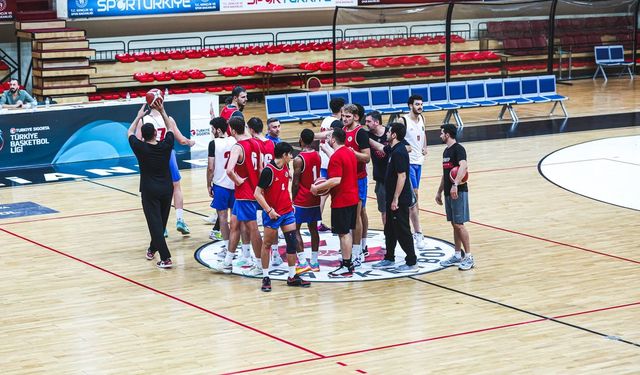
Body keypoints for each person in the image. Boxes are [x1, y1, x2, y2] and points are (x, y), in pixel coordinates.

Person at [255, 142, 311, 292]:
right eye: (290, 154)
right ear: (284, 155)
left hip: (287, 212)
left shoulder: (286, 167)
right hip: (273, 214)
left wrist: (290, 202)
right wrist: (269, 210)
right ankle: (266, 277)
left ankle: (292, 276)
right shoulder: (268, 171)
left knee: (291, 242)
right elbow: (257, 194)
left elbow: (284, 187)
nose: (292, 157)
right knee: (267, 245)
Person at [211, 117, 264, 275]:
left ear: (232, 130)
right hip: (252, 191)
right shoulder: (256, 143)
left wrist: (238, 180)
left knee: (253, 229)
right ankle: (227, 263)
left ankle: (260, 265)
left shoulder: (237, 147)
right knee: (234, 225)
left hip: (244, 193)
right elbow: (260, 168)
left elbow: (229, 170)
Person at [138, 96, 195, 236]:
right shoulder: (169, 119)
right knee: (176, 187)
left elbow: (138, 141)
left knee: (156, 190)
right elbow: (181, 140)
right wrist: (190, 142)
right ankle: (180, 219)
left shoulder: (143, 120)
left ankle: (162, 226)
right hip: (168, 154)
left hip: (151, 156)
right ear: (161, 101)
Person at [127, 103, 175, 268]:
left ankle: (166, 258)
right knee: (160, 224)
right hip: (167, 189)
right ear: (156, 133)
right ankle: (152, 248)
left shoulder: (140, 147)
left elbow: (129, 132)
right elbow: (170, 129)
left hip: (149, 190)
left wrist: (139, 116)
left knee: (155, 225)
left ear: (143, 136)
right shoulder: (166, 145)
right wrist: (162, 111)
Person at [311, 128, 358, 278]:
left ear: (333, 140)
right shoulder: (350, 152)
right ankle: (348, 262)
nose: (327, 138)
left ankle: (346, 265)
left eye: (329, 137)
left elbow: (336, 180)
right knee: (347, 232)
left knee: (343, 233)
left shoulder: (337, 156)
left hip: (342, 200)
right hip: (353, 198)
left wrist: (317, 187)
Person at [372, 122, 418, 272]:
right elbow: (379, 147)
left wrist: (395, 199)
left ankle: (411, 262)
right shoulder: (393, 149)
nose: (386, 133)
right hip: (391, 197)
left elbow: (402, 176)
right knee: (389, 230)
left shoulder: (399, 152)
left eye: (389, 131)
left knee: (402, 229)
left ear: (394, 135)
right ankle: (389, 258)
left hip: (399, 199)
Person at [436, 123, 474, 271]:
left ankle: (469, 256)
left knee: (459, 224)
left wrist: (455, 184)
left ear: (447, 134)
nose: (440, 135)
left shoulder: (459, 149)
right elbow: (445, 174)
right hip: (448, 191)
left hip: (458, 191)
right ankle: (457, 255)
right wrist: (439, 191)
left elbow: (463, 166)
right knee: (454, 224)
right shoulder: (445, 152)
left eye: (441, 133)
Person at [247, 116, 281, 266]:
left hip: (257, 187)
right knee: (271, 222)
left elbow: (260, 167)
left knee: (252, 224)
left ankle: (251, 255)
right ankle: (275, 254)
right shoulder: (272, 145)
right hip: (271, 186)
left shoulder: (253, 144)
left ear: (252, 130)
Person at [342, 104, 370, 266]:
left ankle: (358, 250)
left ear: (356, 117)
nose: (344, 119)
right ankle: (357, 244)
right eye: (343, 116)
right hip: (346, 178)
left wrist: (352, 153)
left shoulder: (360, 133)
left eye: (348, 116)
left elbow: (367, 158)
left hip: (358, 178)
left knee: (358, 214)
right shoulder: (343, 131)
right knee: (355, 213)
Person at [292, 129, 322, 273]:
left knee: (295, 229)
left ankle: (303, 262)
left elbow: (296, 183)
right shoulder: (317, 155)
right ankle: (315, 262)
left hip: (302, 199)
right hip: (315, 197)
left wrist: (292, 198)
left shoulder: (299, 159)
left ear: (301, 140)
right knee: (313, 228)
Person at [401, 94, 428, 250]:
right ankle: (418, 233)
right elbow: (396, 137)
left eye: (421, 104)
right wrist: (405, 147)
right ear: (410, 105)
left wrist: (425, 146)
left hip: (419, 162)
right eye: (417, 104)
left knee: (414, 198)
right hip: (408, 163)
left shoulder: (422, 118)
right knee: (414, 197)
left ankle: (414, 231)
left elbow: (423, 134)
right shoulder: (403, 120)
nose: (420, 107)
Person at [206, 117, 237, 252]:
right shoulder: (235, 140)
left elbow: (211, 167)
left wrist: (208, 184)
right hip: (235, 184)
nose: (212, 132)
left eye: (212, 129)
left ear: (218, 130)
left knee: (222, 217)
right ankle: (237, 244)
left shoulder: (213, 143)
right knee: (235, 217)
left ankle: (226, 245)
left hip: (220, 185)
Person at [317, 97, 344, 232]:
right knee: (327, 194)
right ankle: (318, 222)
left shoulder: (326, 120)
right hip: (330, 159)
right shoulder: (336, 123)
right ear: (341, 109)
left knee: (324, 193)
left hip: (323, 158)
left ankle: (318, 221)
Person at [365, 110, 389, 226]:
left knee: (402, 208)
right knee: (384, 211)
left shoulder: (390, 132)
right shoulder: (367, 136)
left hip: (395, 176)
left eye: (368, 121)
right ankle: (388, 234)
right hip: (380, 178)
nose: (366, 123)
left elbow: (408, 147)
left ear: (377, 122)